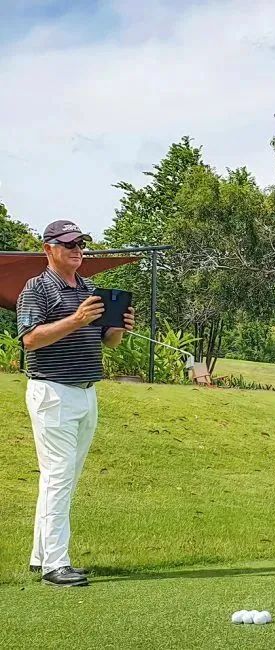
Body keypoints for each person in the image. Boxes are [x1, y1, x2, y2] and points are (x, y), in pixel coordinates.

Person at [17, 220, 135, 587]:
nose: (77, 250)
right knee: (58, 477)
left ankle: (42, 556)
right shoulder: (36, 289)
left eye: (80, 243)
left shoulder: (88, 289)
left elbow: (108, 341)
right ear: (48, 249)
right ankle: (55, 564)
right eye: (68, 244)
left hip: (86, 392)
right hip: (53, 392)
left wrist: (119, 326)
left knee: (64, 477)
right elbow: (30, 339)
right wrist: (77, 319)